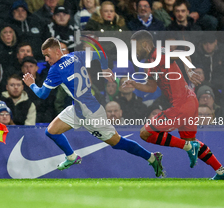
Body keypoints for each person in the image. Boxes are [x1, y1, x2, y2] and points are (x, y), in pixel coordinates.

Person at [23, 37, 164, 177]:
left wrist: (31, 84)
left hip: (91, 113)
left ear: (58, 52)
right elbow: (101, 54)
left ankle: (152, 158)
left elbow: (42, 94)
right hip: (78, 109)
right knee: (51, 131)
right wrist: (105, 67)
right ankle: (71, 157)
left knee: (117, 142)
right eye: (44, 56)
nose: (46, 59)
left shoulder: (55, 70)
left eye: (48, 55)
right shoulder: (76, 55)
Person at [123, 30, 224, 180]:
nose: (133, 51)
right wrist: (134, 84)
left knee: (146, 132)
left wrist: (189, 70)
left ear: (144, 45)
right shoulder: (148, 65)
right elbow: (151, 87)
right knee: (192, 142)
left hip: (182, 104)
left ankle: (188, 147)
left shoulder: (159, 53)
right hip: (189, 102)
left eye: (135, 47)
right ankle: (221, 171)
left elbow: (183, 54)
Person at [21, 56, 56, 124]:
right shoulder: (18, 84)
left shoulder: (45, 83)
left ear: (37, 68)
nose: (28, 69)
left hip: (43, 117)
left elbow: (49, 103)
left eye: (31, 66)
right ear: (22, 69)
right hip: (24, 116)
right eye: (26, 66)